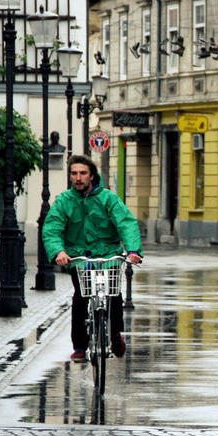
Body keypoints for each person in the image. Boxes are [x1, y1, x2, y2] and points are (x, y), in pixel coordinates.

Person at [42, 154, 143, 363]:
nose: (78, 178)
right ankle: (79, 346)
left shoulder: (108, 198)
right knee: (80, 296)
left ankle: (115, 334)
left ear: (92, 175)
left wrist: (133, 250)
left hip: (108, 255)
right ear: (70, 176)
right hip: (78, 258)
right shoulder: (64, 201)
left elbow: (126, 223)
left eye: (83, 173)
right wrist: (59, 252)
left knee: (114, 294)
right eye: (74, 173)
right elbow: (52, 228)